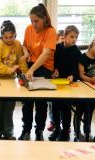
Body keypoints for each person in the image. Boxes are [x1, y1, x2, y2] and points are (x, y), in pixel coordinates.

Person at [19, 4, 57, 141]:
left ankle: (39, 131)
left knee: (41, 102)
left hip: (44, 67)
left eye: (36, 21)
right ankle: (26, 130)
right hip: (30, 65)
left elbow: (46, 54)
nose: (33, 24)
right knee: (27, 102)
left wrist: (32, 70)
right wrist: (25, 52)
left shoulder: (51, 32)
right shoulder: (28, 29)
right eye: (31, 21)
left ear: (44, 19)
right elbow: (24, 44)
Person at [0, 20, 28, 140]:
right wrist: (10, 70)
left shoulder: (17, 44)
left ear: (15, 34)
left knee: (9, 107)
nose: (9, 39)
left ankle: (8, 132)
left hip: (11, 80)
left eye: (11, 36)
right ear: (2, 36)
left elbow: (20, 61)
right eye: (6, 37)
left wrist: (25, 74)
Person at [49, 25, 81, 141]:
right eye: (72, 36)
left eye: (76, 37)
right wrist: (54, 70)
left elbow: (79, 70)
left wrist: (73, 75)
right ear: (64, 36)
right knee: (55, 108)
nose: (74, 39)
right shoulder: (57, 48)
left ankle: (65, 130)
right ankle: (57, 129)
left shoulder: (76, 51)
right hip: (56, 82)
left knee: (66, 109)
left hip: (68, 84)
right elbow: (52, 63)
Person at [47, 29, 65, 132]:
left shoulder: (66, 51)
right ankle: (53, 122)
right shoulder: (52, 51)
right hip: (53, 79)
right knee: (52, 104)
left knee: (63, 104)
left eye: (63, 39)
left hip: (63, 81)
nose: (62, 42)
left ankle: (63, 124)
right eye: (61, 39)